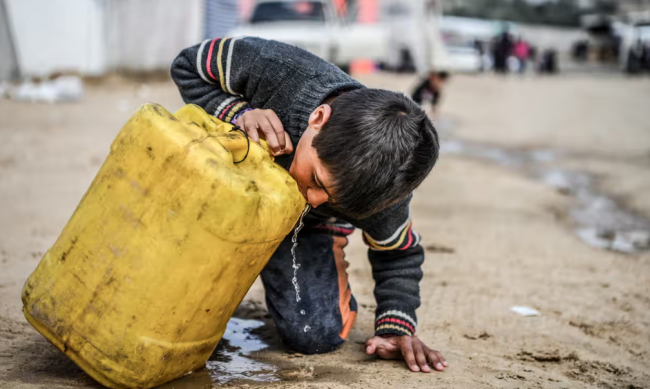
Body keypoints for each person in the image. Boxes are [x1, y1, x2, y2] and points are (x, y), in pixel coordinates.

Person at [170, 36, 447, 373]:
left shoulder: (384, 198)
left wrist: (396, 327)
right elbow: (187, 64)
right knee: (164, 301)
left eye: (333, 199)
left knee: (314, 334)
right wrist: (238, 113)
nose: (313, 197)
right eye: (316, 180)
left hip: (303, 226)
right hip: (220, 188)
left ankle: (309, 244)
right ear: (317, 118)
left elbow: (398, 253)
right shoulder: (279, 69)